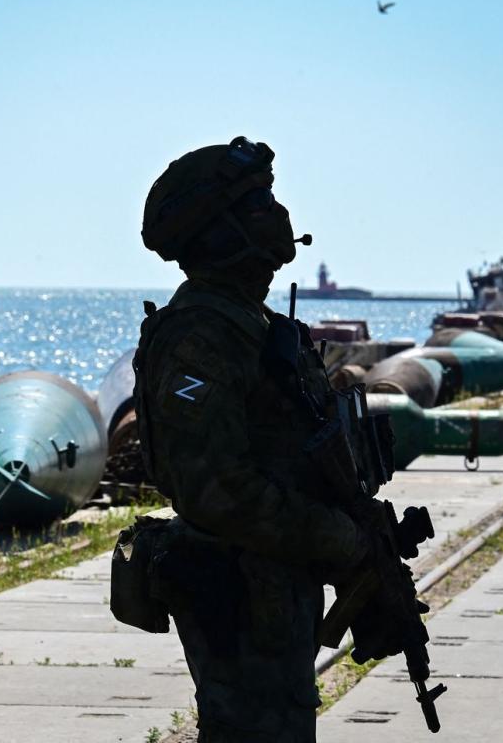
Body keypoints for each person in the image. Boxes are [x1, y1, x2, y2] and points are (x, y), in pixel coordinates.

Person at [133, 137, 373, 742]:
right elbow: (215, 488)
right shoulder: (202, 334)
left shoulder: (253, 325)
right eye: (259, 200)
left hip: (271, 587)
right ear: (219, 230)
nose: (278, 213)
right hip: (236, 594)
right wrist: (338, 539)